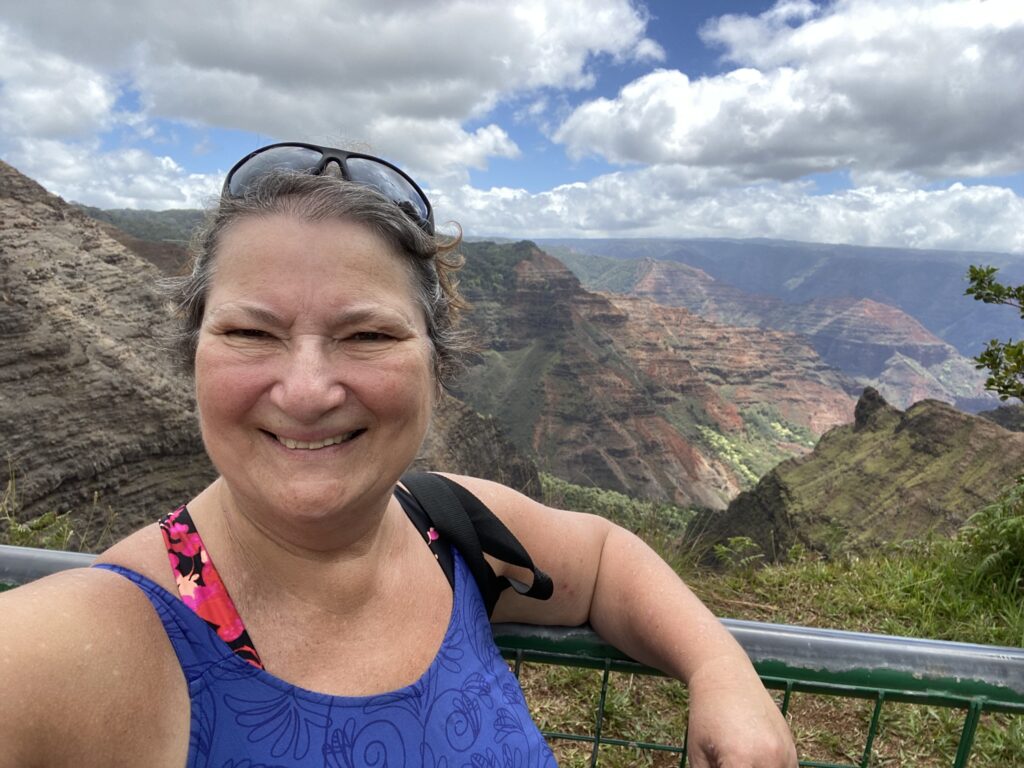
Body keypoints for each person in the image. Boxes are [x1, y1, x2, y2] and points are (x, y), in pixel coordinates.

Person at [0, 142, 797, 768]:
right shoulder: (91, 641)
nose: (307, 390)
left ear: (436, 364)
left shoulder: (447, 528)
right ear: (192, 353)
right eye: (250, 332)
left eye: (368, 335)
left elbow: (601, 554)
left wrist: (721, 671)